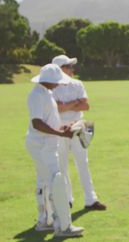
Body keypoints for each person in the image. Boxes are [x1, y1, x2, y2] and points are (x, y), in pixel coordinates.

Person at [26, 63, 85, 237]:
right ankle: (63, 227)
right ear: (49, 80)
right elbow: (37, 123)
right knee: (56, 181)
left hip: (45, 143)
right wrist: (60, 133)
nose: (59, 83)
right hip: (42, 144)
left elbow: (48, 120)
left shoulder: (46, 93)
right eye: (57, 81)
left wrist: (63, 127)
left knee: (44, 182)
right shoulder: (37, 95)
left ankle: (45, 221)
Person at [51, 55, 106, 211]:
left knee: (83, 163)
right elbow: (58, 109)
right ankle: (67, 199)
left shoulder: (77, 83)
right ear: (59, 69)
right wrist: (76, 103)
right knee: (62, 166)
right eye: (68, 66)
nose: (71, 69)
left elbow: (86, 106)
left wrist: (67, 105)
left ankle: (91, 199)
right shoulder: (52, 87)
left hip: (79, 127)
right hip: (59, 130)